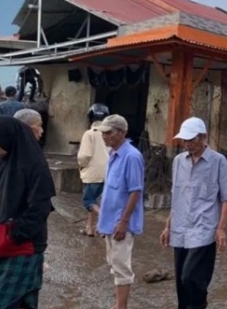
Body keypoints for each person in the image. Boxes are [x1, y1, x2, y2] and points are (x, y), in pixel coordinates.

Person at [160, 117, 227, 309]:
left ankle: (200, 305)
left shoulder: (218, 161)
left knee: (191, 276)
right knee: (180, 281)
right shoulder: (178, 161)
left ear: (203, 137)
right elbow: (176, 196)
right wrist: (168, 226)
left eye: (191, 140)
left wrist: (221, 228)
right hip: (180, 228)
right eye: (184, 140)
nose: (186, 144)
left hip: (204, 228)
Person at [0, 117, 55, 309]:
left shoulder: (34, 166)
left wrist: (14, 236)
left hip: (23, 246)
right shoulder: (2, 163)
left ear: (6, 139)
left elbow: (39, 210)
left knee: (7, 301)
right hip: (1, 245)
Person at [96, 115, 144, 309]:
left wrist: (123, 222)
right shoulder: (113, 154)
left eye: (109, 133)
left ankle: (120, 307)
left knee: (121, 266)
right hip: (110, 220)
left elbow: (135, 191)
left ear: (122, 133)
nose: (104, 136)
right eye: (103, 132)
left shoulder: (131, 156)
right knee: (113, 264)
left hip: (120, 221)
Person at [76, 104, 110, 237]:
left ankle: (106, 222)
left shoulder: (89, 134)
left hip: (93, 172)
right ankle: (90, 227)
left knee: (89, 201)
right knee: (99, 201)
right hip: (108, 172)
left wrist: (82, 165)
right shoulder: (109, 133)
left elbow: (84, 155)